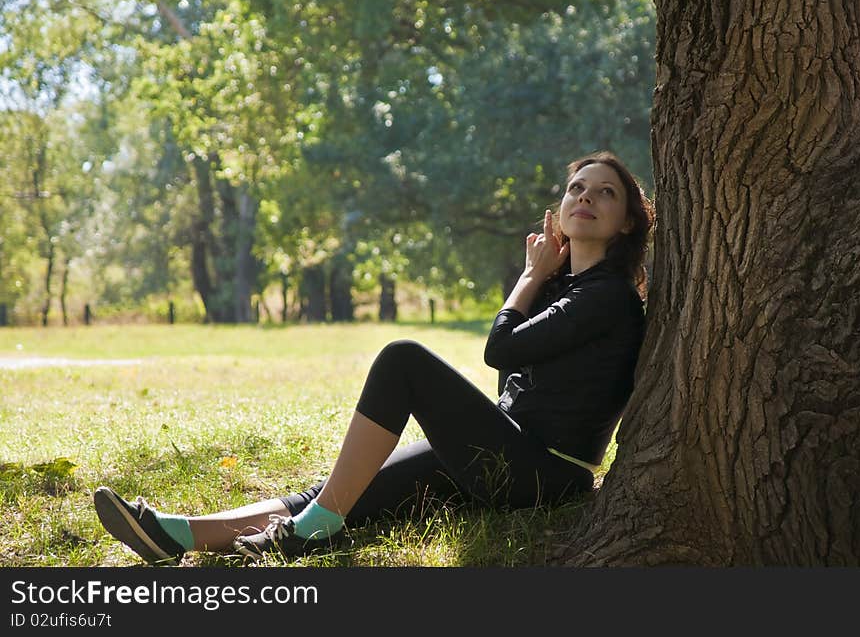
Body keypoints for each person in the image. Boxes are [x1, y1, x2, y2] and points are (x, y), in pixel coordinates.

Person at [92, 151, 655, 566]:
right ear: (558, 209)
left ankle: (311, 527)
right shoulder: (565, 289)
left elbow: (498, 350)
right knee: (342, 489)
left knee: (403, 360)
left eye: (605, 193)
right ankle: (177, 535)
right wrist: (540, 280)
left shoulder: (607, 295)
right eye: (577, 187)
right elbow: (514, 376)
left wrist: (529, 276)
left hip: (545, 471)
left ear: (627, 221)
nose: (585, 197)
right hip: (506, 452)